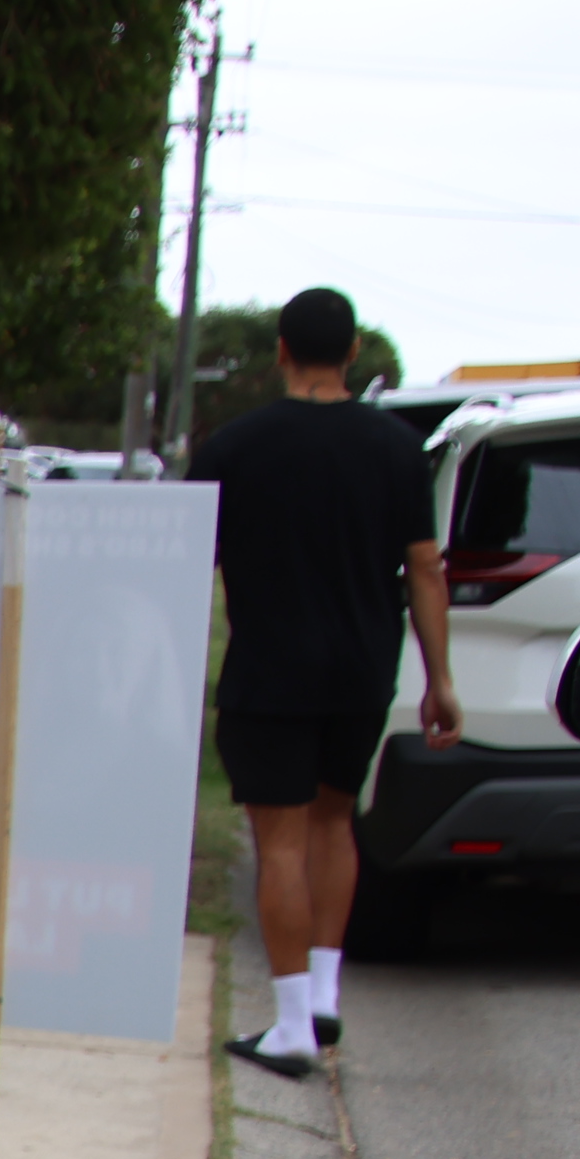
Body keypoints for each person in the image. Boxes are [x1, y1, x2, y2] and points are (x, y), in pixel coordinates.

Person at [185, 284, 458, 1073]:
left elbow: (186, 565)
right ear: (351, 355)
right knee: (335, 822)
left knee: (279, 840)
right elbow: (425, 571)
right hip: (363, 667)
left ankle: (294, 1023)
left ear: (280, 351)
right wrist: (439, 680)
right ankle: (327, 994)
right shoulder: (399, 449)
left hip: (270, 668)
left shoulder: (232, 450)